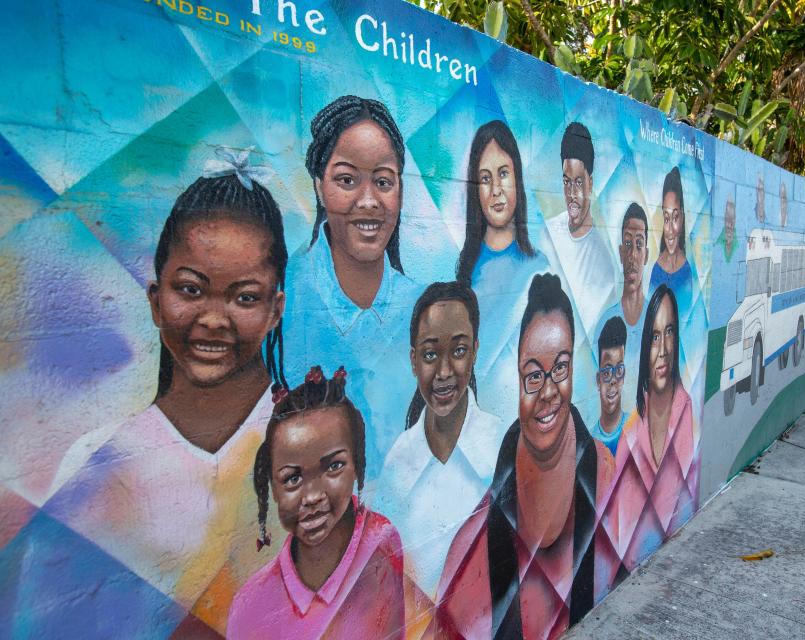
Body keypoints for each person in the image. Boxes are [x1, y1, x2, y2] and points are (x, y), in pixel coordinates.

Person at [29, 153, 289, 637]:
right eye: (190, 290)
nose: (214, 318)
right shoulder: (95, 464)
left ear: (276, 308)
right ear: (155, 299)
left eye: (245, 297)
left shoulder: (313, 445)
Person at [432, 273, 619, 640]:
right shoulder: (473, 548)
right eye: (534, 376)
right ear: (518, 380)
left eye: (560, 368)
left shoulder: (603, 473)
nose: (548, 390)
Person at [283, 95, 423, 481]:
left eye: (383, 182)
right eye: (346, 180)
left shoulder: (423, 310)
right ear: (319, 187)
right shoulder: (280, 297)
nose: (369, 201)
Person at [227, 366, 405, 639]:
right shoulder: (249, 608)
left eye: (334, 466)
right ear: (273, 488)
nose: (312, 496)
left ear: (357, 465)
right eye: (292, 479)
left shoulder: (379, 542)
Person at [374, 282, 505, 600]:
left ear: (474, 351)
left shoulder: (504, 446)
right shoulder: (398, 461)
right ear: (413, 360)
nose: (444, 372)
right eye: (431, 354)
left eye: (459, 351)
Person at [456, 120, 548, 416]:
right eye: (484, 178)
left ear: (517, 178)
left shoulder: (541, 268)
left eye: (503, 174)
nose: (496, 189)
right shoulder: (464, 273)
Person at [607, 284, 698, 572]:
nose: (662, 350)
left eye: (670, 332)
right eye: (655, 336)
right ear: (646, 344)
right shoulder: (630, 437)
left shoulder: (687, 413)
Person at [540, 122, 617, 337]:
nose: (572, 194)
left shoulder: (604, 265)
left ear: (590, 184)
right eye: (566, 182)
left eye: (578, 182)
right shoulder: (548, 234)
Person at [595, 203, 650, 408]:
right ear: (620, 252)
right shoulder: (604, 325)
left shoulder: (657, 320)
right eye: (627, 244)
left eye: (638, 244)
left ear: (647, 253)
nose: (632, 255)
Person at [649, 167, 691, 292]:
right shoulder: (657, 270)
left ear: (682, 216)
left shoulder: (686, 271)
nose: (670, 230)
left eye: (675, 217)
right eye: (666, 219)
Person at [592, 316, 628, 456]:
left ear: (623, 376)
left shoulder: (635, 429)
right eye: (607, 372)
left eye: (618, 370)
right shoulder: (591, 441)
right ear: (598, 380)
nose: (613, 380)